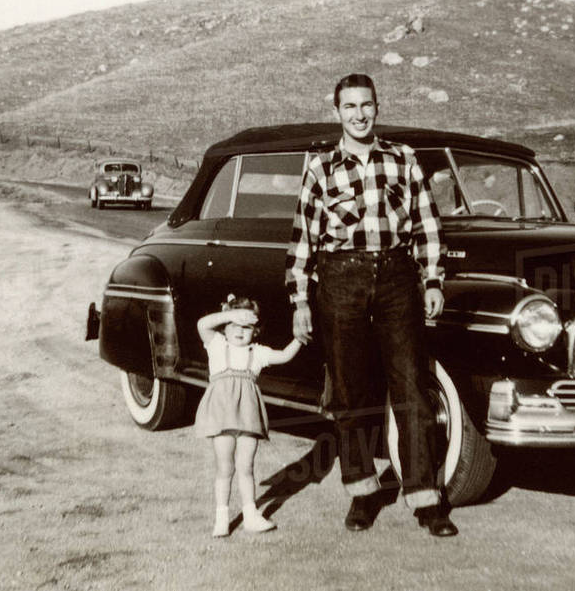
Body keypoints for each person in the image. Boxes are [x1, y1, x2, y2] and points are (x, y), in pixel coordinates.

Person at [285, 73, 457, 537]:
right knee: (350, 391)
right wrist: (300, 301)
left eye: (367, 105)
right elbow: (303, 240)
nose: (359, 115)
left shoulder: (403, 159)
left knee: (412, 388)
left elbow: (427, 224)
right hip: (340, 281)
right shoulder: (320, 167)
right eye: (350, 107)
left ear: (377, 108)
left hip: (398, 277)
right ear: (337, 111)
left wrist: (433, 280)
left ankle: (426, 499)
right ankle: (362, 492)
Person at [194, 294, 302, 537]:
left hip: (248, 416)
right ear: (225, 325)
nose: (240, 331)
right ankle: (221, 517)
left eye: (247, 327)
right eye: (234, 325)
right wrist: (231, 314)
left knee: (246, 466)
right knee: (225, 467)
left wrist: (300, 339)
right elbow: (202, 324)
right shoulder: (217, 344)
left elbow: (284, 355)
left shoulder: (259, 353)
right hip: (221, 415)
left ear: (256, 331)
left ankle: (251, 514)